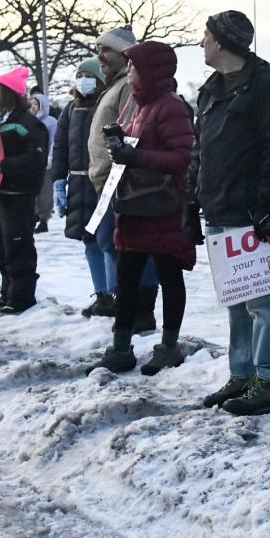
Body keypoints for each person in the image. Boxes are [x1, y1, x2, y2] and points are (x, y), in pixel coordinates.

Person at [191, 11, 270, 416]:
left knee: (260, 301)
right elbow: (201, 150)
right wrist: (191, 201)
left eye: (206, 36)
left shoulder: (264, 84)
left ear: (222, 42)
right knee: (234, 298)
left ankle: (268, 380)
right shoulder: (210, 88)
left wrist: (268, 205)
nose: (201, 43)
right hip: (217, 206)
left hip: (250, 211)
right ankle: (242, 375)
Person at [89, 42, 197, 377]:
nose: (130, 72)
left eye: (134, 67)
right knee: (127, 276)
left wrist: (136, 156)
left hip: (161, 206)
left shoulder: (170, 107)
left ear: (150, 70)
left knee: (168, 275)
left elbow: (182, 157)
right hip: (134, 206)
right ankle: (121, 347)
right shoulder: (138, 105)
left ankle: (169, 345)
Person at [88, 27, 160, 333]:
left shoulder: (128, 89)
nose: (99, 56)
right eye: (97, 49)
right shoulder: (115, 86)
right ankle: (124, 304)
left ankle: (137, 311)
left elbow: (133, 135)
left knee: (129, 250)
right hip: (108, 183)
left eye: (106, 50)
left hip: (121, 184)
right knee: (111, 244)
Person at [0, 66, 50, 314]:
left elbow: (35, 159)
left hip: (18, 195)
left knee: (18, 246)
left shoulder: (28, 124)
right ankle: (7, 291)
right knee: (0, 246)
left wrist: (5, 166)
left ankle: (22, 296)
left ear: (9, 93)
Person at [54, 58, 115, 316]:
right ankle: (100, 292)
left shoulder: (106, 106)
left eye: (87, 75)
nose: (82, 80)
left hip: (101, 182)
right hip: (78, 182)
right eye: (78, 75)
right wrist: (58, 179)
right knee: (88, 238)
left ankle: (114, 294)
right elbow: (60, 147)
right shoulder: (70, 110)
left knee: (107, 240)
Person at [29, 94, 58, 233]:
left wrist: (51, 158)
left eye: (36, 104)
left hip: (45, 162)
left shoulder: (51, 122)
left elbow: (54, 140)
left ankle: (44, 219)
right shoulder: (28, 121)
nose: (33, 106)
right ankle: (33, 215)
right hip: (32, 162)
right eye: (31, 104)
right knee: (32, 191)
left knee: (45, 192)